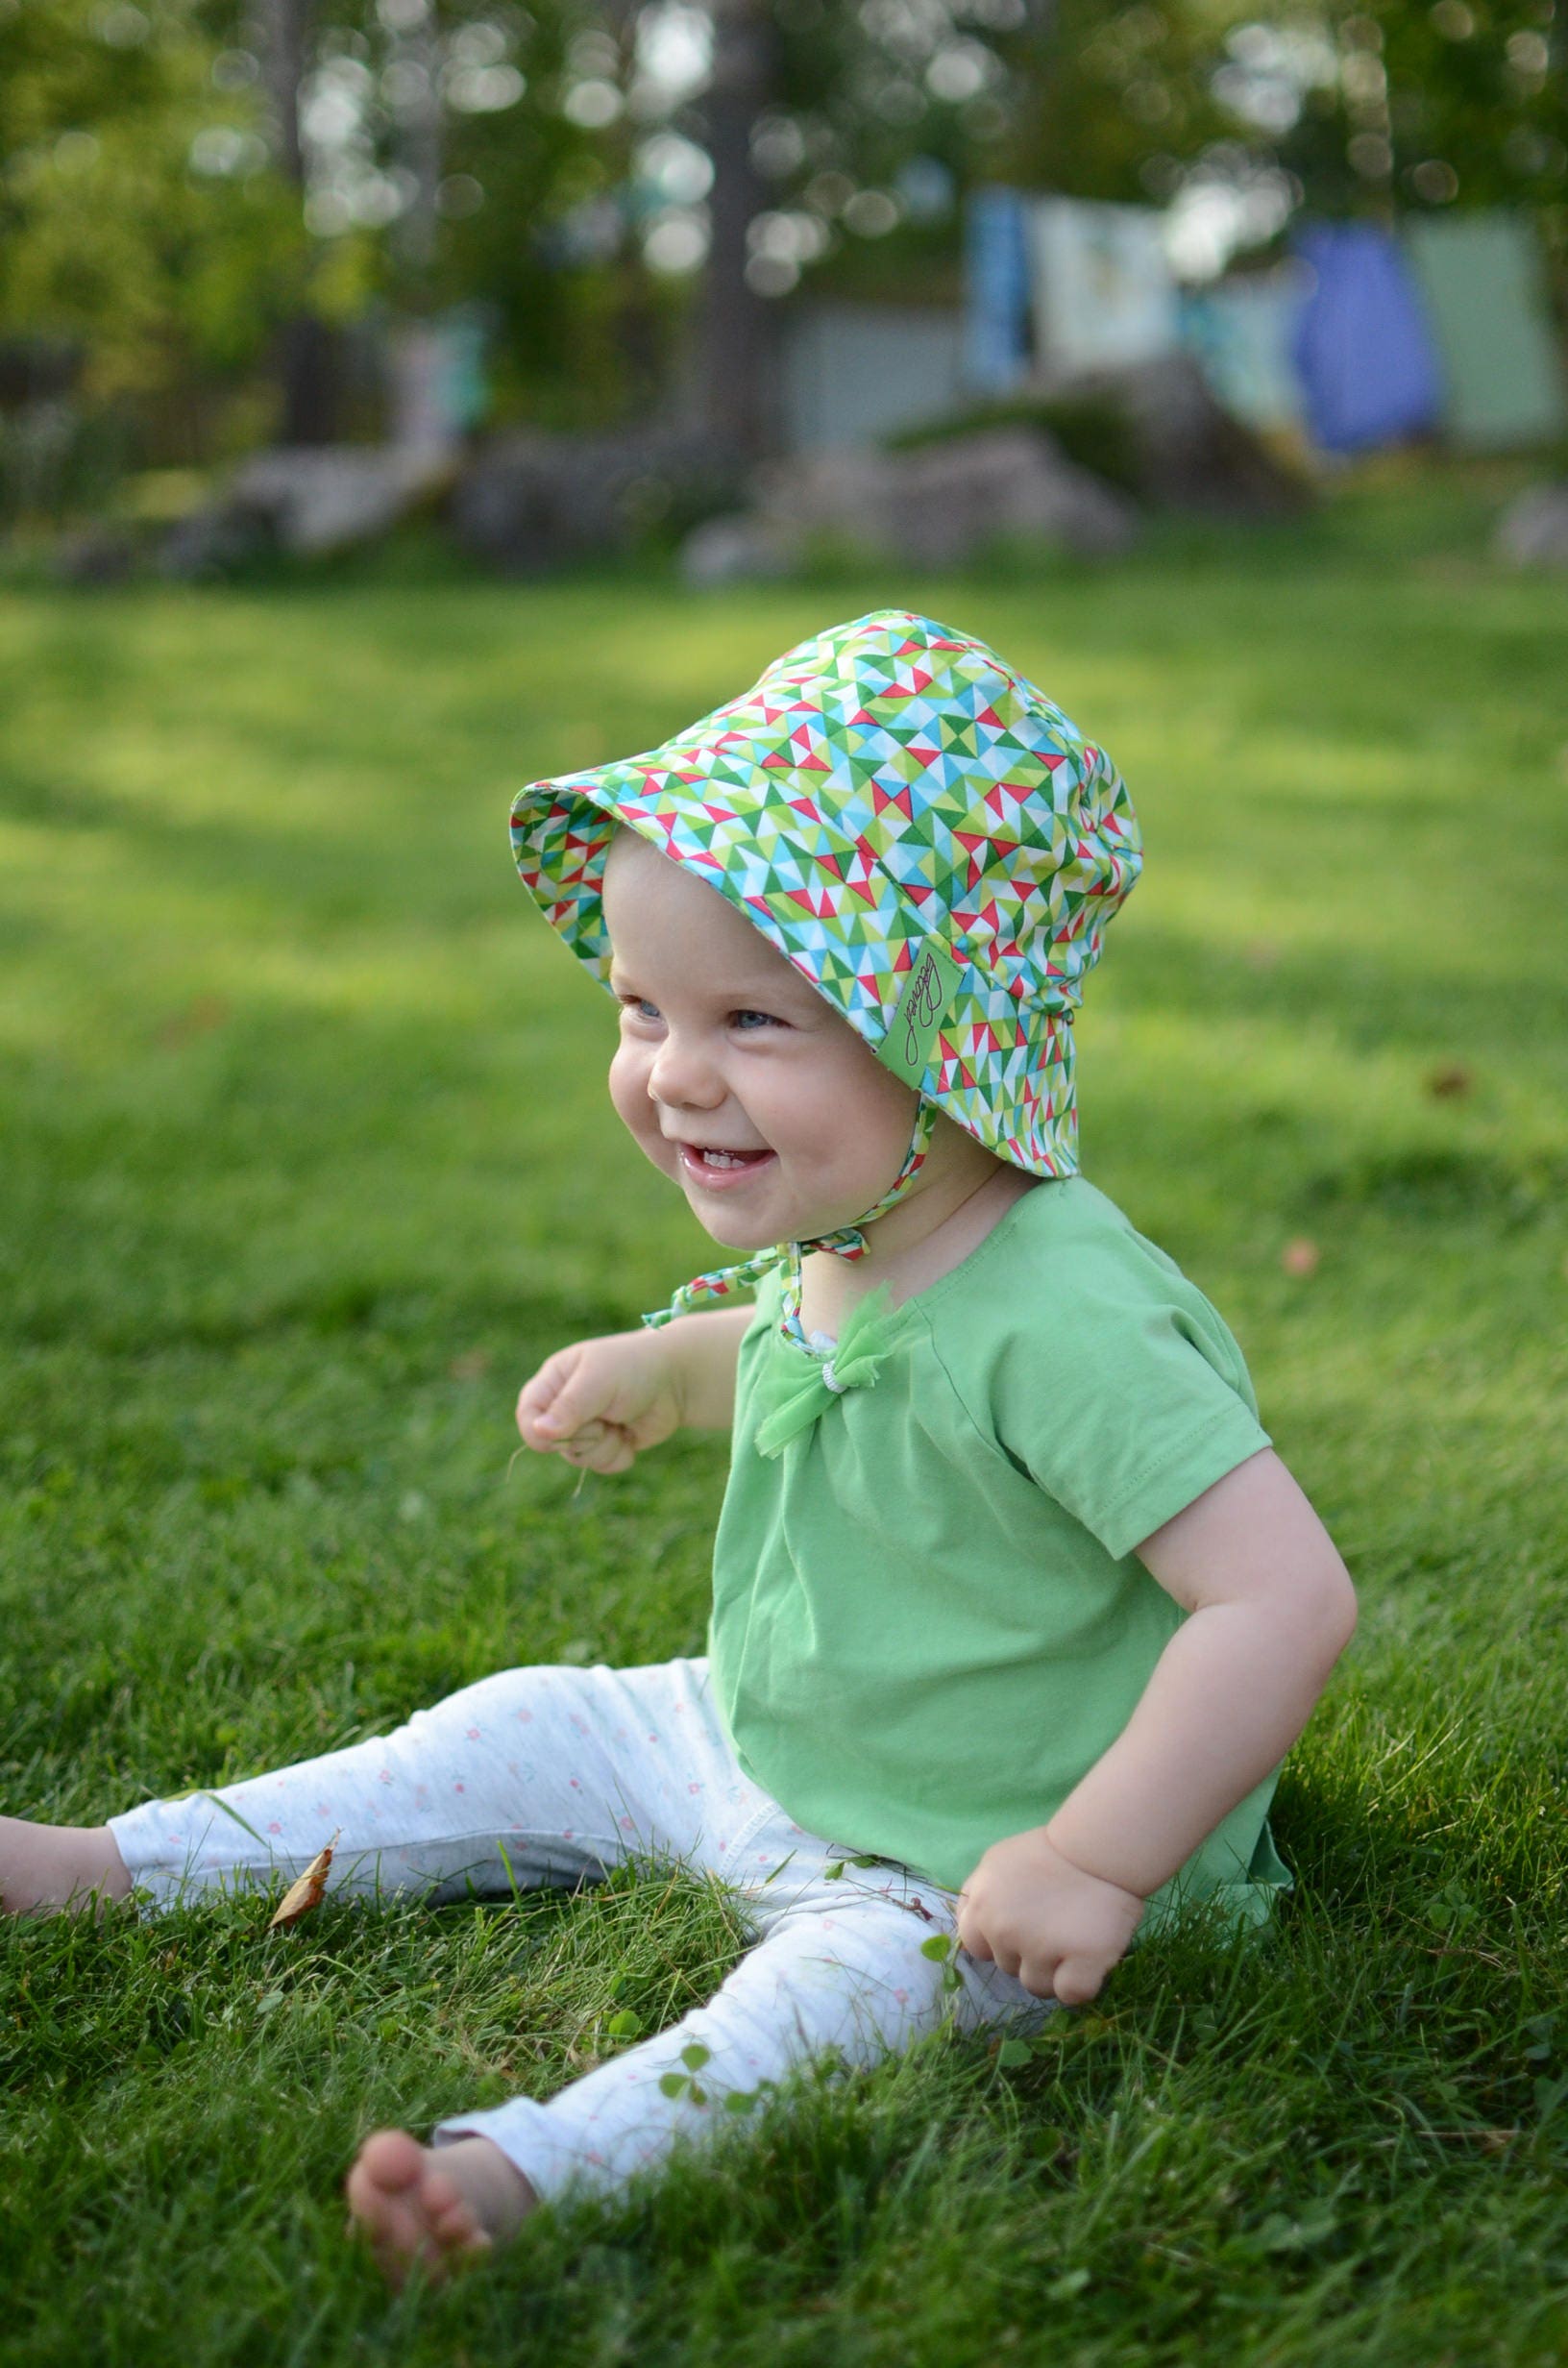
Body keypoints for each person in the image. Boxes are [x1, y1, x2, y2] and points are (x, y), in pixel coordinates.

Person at [1, 611, 1357, 2285]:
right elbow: (815, 1358)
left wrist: (1092, 1857)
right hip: (765, 1730)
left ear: (946, 1035)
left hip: (970, 1852)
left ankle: (527, 2171)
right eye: (644, 1011)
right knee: (524, 1724)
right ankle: (111, 1866)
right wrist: (674, 1367)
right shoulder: (862, 1220)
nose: (672, 1077)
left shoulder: (1069, 1314)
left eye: (755, 1025)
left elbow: (1281, 1600)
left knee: (823, 2014)